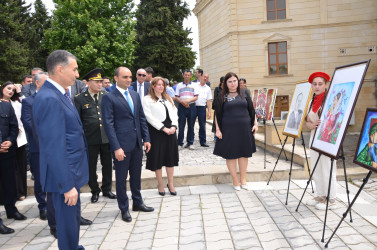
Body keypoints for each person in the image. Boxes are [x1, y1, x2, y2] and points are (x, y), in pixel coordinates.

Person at [33, 50, 89, 249]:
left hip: (69, 171)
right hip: (62, 177)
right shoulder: (49, 98)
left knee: (71, 223)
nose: (77, 74)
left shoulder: (60, 93)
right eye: (74, 69)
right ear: (59, 69)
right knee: (66, 225)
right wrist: (66, 185)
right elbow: (53, 147)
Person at [101, 66, 154, 223]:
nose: (129, 79)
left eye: (130, 77)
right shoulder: (109, 97)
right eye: (125, 77)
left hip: (137, 143)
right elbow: (108, 124)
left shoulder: (134, 95)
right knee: (121, 178)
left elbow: (141, 118)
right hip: (121, 146)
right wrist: (116, 147)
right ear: (116, 78)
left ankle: (137, 202)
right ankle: (124, 208)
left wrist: (146, 138)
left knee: (136, 176)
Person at [75, 68, 116, 203]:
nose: (100, 84)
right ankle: (95, 190)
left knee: (107, 164)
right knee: (91, 166)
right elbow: (78, 121)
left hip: (106, 137)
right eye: (96, 82)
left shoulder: (106, 96)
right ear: (88, 83)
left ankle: (107, 189)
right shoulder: (80, 99)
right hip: (90, 139)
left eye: (100, 82)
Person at [213, 72, 258, 191]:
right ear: (225, 84)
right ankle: (235, 180)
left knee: (244, 154)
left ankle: (243, 179)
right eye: (230, 81)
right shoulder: (221, 96)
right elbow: (217, 115)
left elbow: (251, 110)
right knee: (231, 155)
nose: (233, 84)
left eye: (234, 81)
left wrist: (255, 123)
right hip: (228, 130)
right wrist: (217, 130)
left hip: (244, 129)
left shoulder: (244, 94)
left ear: (238, 82)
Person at [305, 72, 337, 210]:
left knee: (327, 167)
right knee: (316, 167)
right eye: (314, 84)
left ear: (326, 85)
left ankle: (331, 199)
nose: (317, 86)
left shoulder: (331, 99)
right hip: (314, 137)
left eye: (320, 84)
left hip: (327, 138)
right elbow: (307, 120)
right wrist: (311, 125)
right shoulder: (312, 100)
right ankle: (321, 195)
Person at [142, 77, 179, 196]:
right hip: (157, 131)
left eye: (162, 84)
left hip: (171, 131)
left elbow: (174, 113)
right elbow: (149, 117)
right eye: (158, 85)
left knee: (170, 158)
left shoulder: (168, 98)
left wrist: (174, 126)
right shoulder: (147, 99)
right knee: (158, 159)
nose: (161, 87)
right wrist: (163, 128)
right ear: (153, 86)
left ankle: (171, 184)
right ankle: (160, 184)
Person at [21, 71, 49, 220]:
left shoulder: (53, 99)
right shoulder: (28, 102)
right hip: (38, 147)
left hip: (54, 147)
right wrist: (46, 137)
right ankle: (42, 206)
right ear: (37, 83)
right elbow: (28, 124)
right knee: (39, 178)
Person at [0, 97, 28, 234]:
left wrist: (10, 141)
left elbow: (13, 126)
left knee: (9, 183)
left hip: (7, 151)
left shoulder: (5, 106)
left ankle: (11, 210)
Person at [0, 82, 28, 201]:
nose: (11, 91)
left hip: (18, 138)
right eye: (8, 88)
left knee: (20, 166)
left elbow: (27, 105)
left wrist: (20, 92)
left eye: (13, 89)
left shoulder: (16, 103)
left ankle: (20, 192)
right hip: (5, 140)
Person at [175, 69, 198, 150]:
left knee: (191, 125)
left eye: (188, 75)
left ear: (191, 76)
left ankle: (190, 143)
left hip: (192, 107)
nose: (187, 76)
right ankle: (180, 143)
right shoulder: (179, 85)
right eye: (185, 75)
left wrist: (188, 101)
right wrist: (182, 102)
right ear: (183, 75)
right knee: (181, 125)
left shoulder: (195, 85)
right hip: (181, 107)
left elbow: (196, 97)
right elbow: (176, 97)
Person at [195, 75, 212, 147]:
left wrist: (209, 112)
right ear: (201, 77)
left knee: (202, 125)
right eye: (204, 77)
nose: (205, 78)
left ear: (208, 79)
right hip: (193, 107)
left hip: (202, 108)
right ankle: (190, 141)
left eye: (207, 78)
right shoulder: (195, 85)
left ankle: (203, 141)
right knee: (191, 124)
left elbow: (208, 100)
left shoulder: (208, 88)